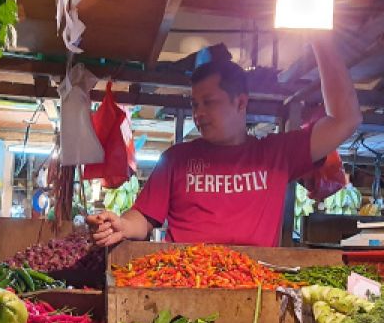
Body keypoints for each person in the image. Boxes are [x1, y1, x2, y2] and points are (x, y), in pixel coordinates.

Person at [88, 35, 360, 247]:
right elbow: (145, 218)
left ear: (240, 102)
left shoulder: (277, 154)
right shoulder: (175, 159)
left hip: (251, 294)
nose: (198, 113)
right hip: (182, 289)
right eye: (195, 104)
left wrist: (321, 39)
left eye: (209, 102)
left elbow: (345, 120)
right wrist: (121, 225)